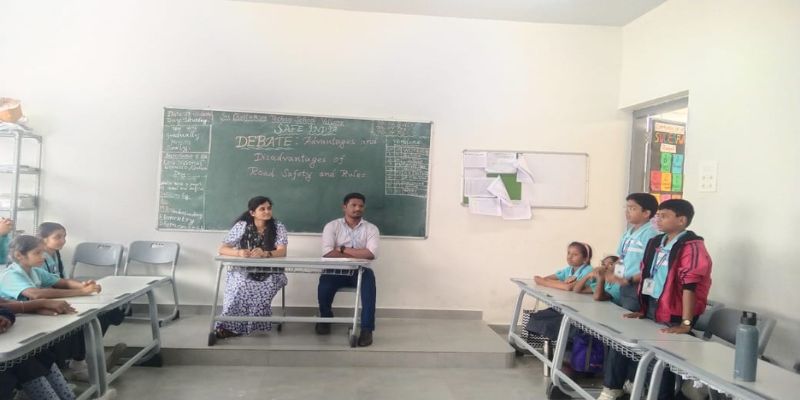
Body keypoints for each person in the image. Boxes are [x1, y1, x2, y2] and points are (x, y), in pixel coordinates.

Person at [598, 199, 713, 400]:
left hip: (676, 310)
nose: (658, 219)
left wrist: (686, 323)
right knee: (644, 353)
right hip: (653, 304)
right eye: (658, 215)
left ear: (681, 220)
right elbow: (647, 274)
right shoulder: (657, 242)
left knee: (662, 359)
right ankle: (626, 388)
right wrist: (643, 308)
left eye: (664, 216)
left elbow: (690, 286)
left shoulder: (692, 246)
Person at [215, 196, 288, 339]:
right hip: (243, 271)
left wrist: (265, 253)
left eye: (269, 208)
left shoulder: (278, 227)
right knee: (241, 285)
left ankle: (243, 325)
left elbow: (282, 251)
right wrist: (239, 252)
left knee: (260, 287)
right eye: (262, 209)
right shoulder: (242, 226)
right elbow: (222, 248)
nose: (267, 211)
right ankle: (228, 326)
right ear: (252, 213)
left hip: (271, 272)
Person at [316, 192, 379, 347]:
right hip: (335, 269)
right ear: (344, 207)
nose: (357, 208)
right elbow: (327, 253)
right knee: (324, 287)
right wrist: (358, 254)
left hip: (361, 270)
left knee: (369, 288)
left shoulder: (371, 228)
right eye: (353, 205)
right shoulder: (332, 226)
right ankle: (325, 318)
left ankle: (367, 329)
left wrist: (342, 249)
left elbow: (371, 254)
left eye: (361, 206)